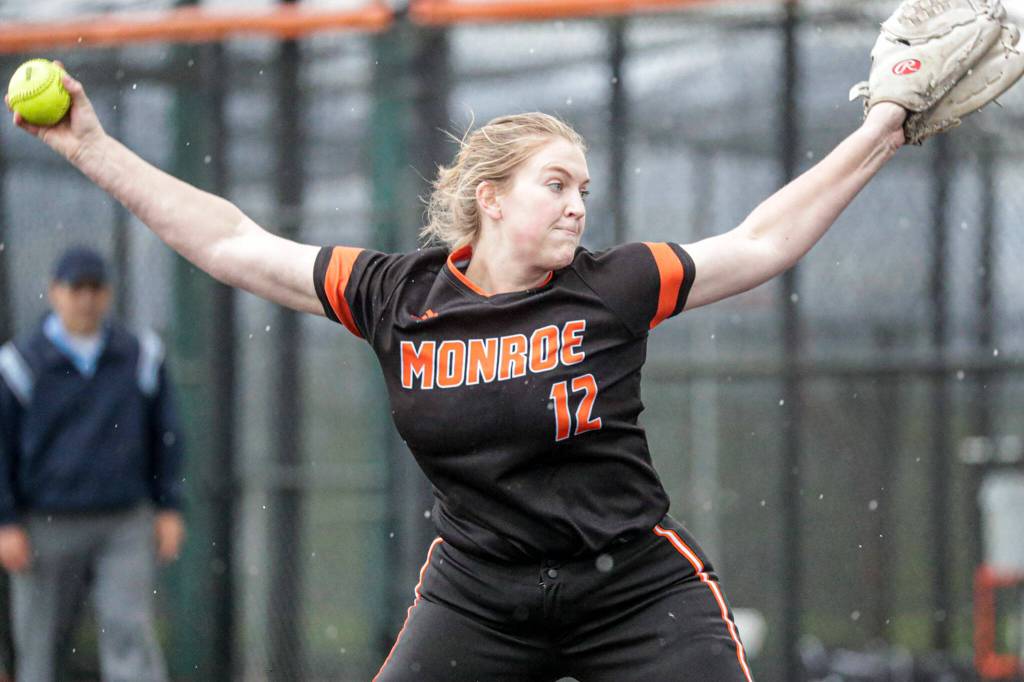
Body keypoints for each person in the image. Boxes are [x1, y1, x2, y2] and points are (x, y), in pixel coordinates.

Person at [7, 66, 907, 681]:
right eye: (556, 183)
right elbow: (230, 240)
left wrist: (885, 125)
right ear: (492, 198)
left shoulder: (613, 284)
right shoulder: (397, 295)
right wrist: (91, 148)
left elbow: (764, 240)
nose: (578, 204)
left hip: (631, 584)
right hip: (481, 591)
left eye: (584, 188)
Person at [0, 246, 185, 682]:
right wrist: (6, 520)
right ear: (54, 292)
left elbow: (168, 436)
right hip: (45, 523)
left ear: (108, 293)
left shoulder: (140, 354)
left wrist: (169, 506)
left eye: (95, 288)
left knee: (129, 631)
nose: (85, 298)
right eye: (75, 287)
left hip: (123, 521)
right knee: (39, 641)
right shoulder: (20, 364)